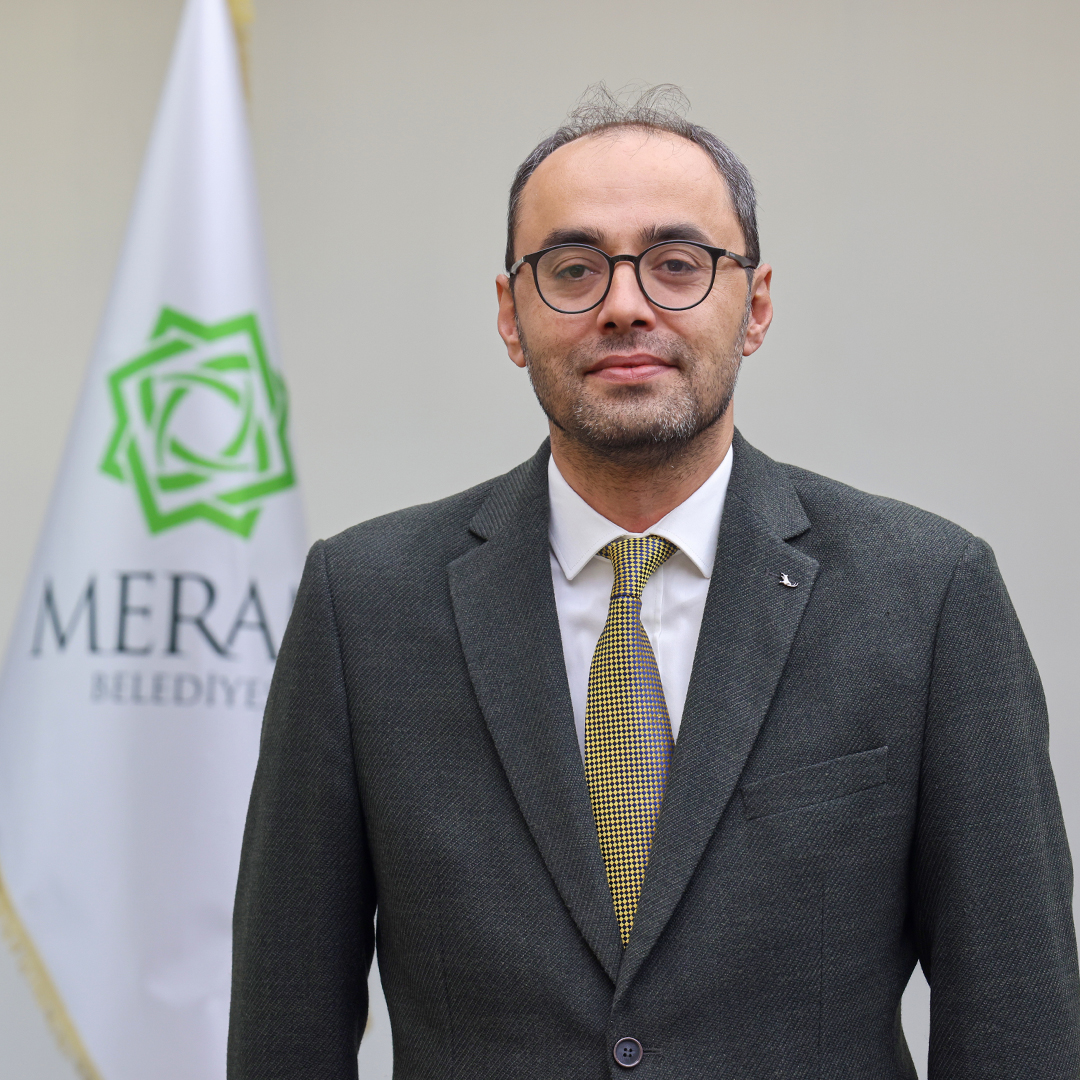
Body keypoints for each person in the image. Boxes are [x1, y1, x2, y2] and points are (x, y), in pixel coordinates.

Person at [227, 86, 1079, 1079]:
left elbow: (1017, 1022)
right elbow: (286, 1024)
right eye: (573, 268)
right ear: (510, 315)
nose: (625, 304)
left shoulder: (927, 596)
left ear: (755, 306)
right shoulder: (363, 604)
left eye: (677, 263)